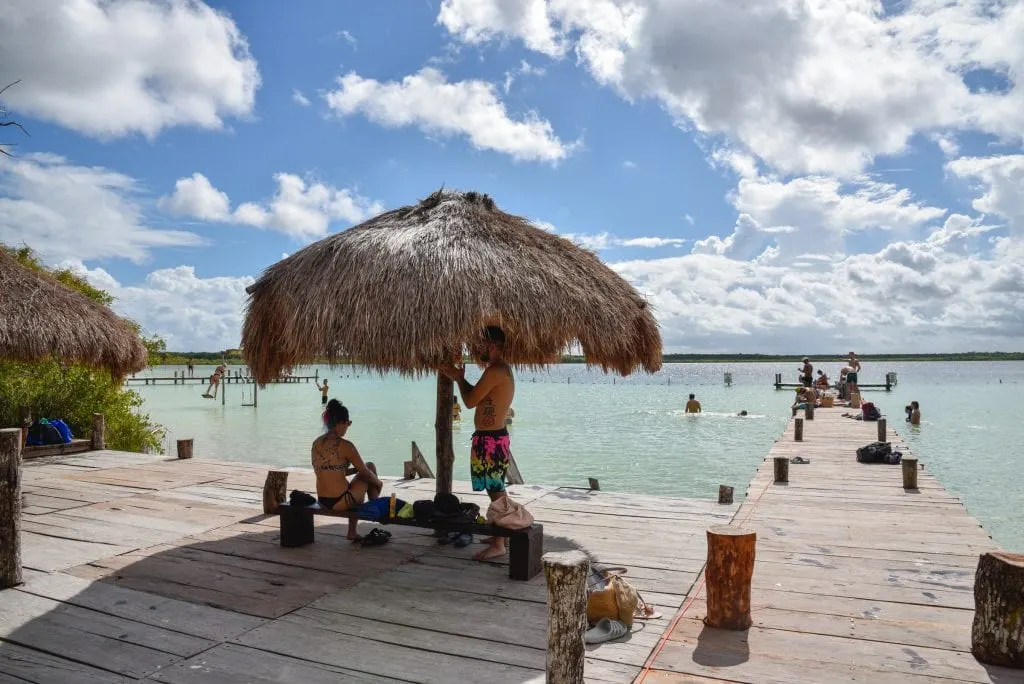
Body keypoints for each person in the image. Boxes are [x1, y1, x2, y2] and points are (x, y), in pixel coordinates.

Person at [438, 326, 518, 562]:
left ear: (492, 346)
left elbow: (471, 401)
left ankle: (499, 543)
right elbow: (479, 395)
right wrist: (459, 378)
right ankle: (500, 534)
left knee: (495, 488)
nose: (477, 350)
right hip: (490, 437)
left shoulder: (496, 370)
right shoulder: (499, 369)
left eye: (480, 345)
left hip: (491, 439)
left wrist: (459, 378)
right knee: (493, 487)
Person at [312, 400, 383, 541]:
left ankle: (355, 530)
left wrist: (353, 472)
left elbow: (331, 470)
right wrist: (379, 483)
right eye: (347, 423)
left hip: (322, 500)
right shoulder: (346, 446)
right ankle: (377, 509)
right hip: (340, 501)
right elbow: (364, 473)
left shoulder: (316, 443)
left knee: (363, 473)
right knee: (370, 467)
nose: (347, 427)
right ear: (340, 423)